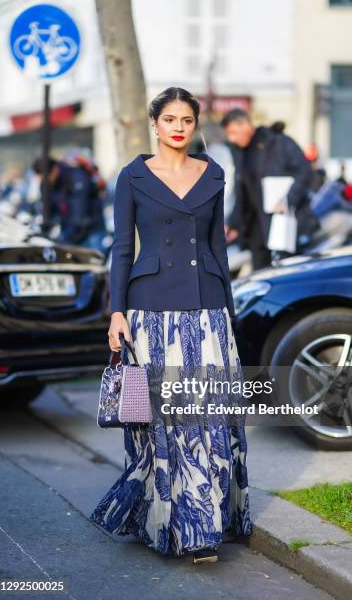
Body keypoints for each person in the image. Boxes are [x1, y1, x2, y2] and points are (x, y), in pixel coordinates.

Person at [89, 87, 253, 564]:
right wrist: (116, 312)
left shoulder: (214, 174)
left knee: (206, 416)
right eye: (170, 119)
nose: (178, 127)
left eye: (186, 119)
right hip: (150, 311)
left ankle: (205, 525)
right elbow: (122, 248)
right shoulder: (134, 176)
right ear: (154, 124)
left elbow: (217, 247)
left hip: (206, 312)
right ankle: (171, 524)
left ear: (195, 126)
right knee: (166, 423)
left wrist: (228, 313)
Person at [220, 109, 313, 268]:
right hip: (256, 230)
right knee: (261, 276)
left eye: (233, 132)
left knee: (285, 274)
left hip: (282, 224)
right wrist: (234, 224)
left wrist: (288, 199)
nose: (231, 138)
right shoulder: (238, 151)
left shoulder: (278, 142)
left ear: (246, 125)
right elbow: (242, 191)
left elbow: (305, 171)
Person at [32, 155, 106, 247]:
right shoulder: (47, 185)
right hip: (69, 229)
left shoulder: (76, 177)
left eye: (47, 178)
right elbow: (49, 210)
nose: (46, 182)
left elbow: (79, 213)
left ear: (55, 169)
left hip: (91, 230)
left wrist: (66, 240)